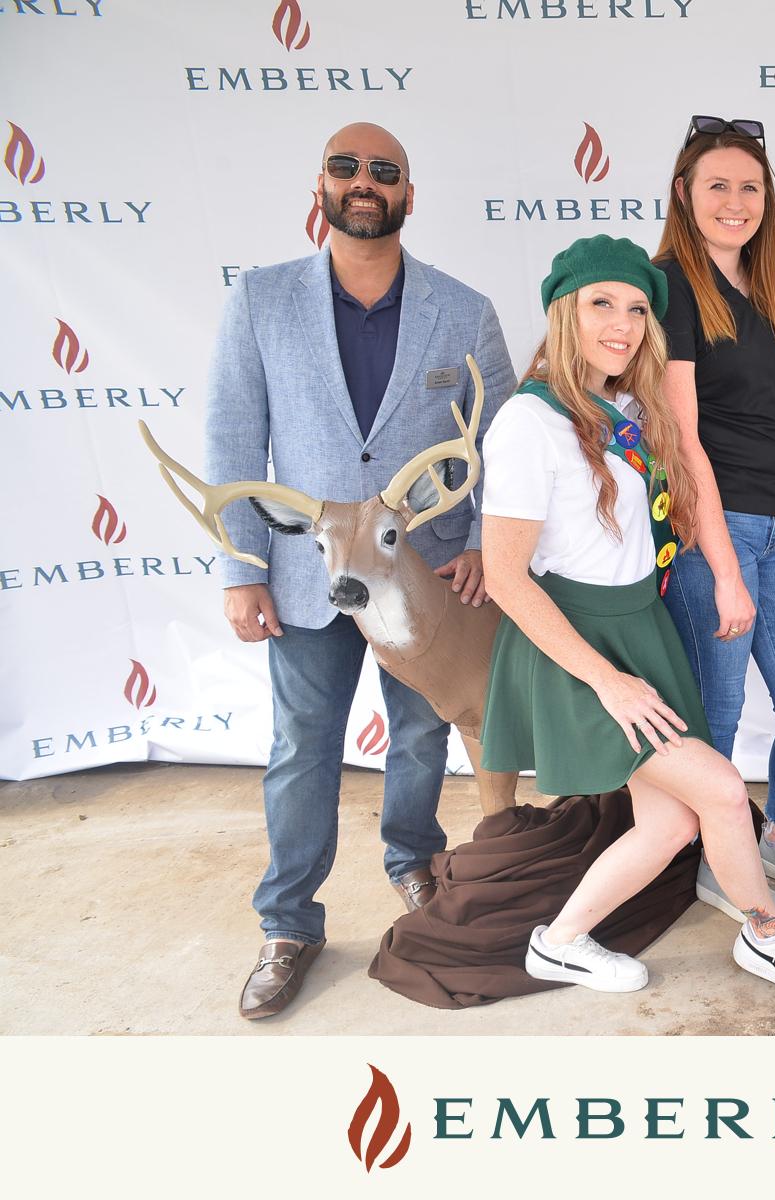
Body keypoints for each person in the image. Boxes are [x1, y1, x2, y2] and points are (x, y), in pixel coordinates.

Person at [477, 233, 775, 997]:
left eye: (638, 308)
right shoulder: (527, 422)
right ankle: (768, 931)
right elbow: (505, 578)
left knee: (671, 823)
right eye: (601, 304)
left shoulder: (621, 408)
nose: (622, 324)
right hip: (577, 647)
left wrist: (728, 571)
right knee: (717, 788)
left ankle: (560, 942)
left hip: (637, 630)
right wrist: (608, 681)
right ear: (562, 313)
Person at [206, 122, 515, 1020]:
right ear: (322, 186)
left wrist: (484, 546)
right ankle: (290, 925)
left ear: (410, 195)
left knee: (421, 738)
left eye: (385, 172)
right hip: (306, 580)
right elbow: (232, 436)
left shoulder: (463, 310)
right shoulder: (260, 301)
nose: (364, 183)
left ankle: (413, 862)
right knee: (304, 747)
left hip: (424, 586)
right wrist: (240, 565)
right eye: (346, 168)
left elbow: (502, 443)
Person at [653, 117, 775, 910]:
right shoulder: (670, 287)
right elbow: (684, 440)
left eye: (750, 187)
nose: (736, 202)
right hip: (715, 531)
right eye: (718, 185)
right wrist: (723, 568)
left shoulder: (772, 292)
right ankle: (714, 862)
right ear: (684, 193)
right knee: (720, 715)